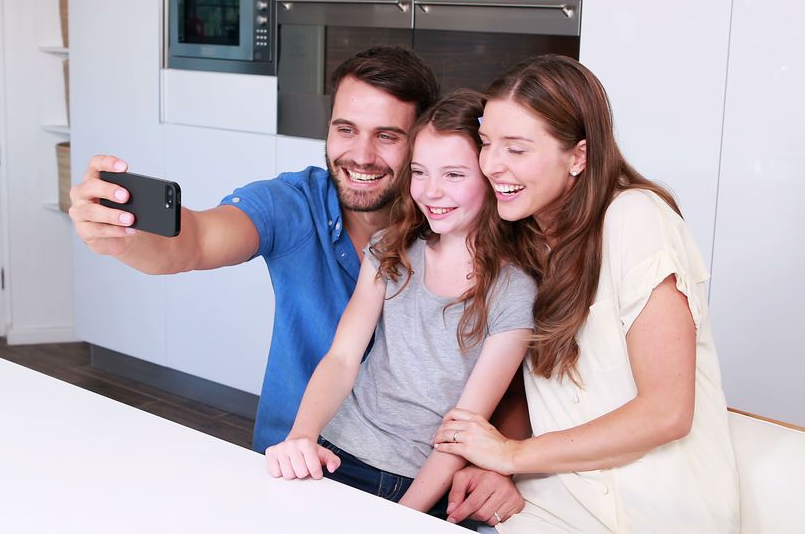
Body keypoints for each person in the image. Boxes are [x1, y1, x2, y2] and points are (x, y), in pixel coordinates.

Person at [68, 46, 524, 525]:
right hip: (310, 460)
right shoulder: (296, 204)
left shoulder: (504, 257)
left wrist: (503, 463)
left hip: (433, 477)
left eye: (387, 136)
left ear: (423, 141)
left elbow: (515, 384)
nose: (361, 155)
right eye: (345, 129)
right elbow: (194, 241)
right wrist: (123, 238)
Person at [433, 55, 741, 533]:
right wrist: (502, 467)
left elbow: (668, 411)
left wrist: (511, 454)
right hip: (553, 503)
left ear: (578, 155)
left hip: (658, 510)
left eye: (516, 149)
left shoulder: (635, 218)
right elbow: (525, 383)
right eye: (487, 143)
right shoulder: (519, 232)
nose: (491, 165)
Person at [264, 90, 536, 526]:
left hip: (417, 482)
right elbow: (342, 358)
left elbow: (462, 429)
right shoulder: (391, 250)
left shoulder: (513, 291)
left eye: (453, 174)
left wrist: (404, 517)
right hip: (337, 452)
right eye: (419, 172)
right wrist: (302, 436)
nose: (431, 191)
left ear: (489, 176)